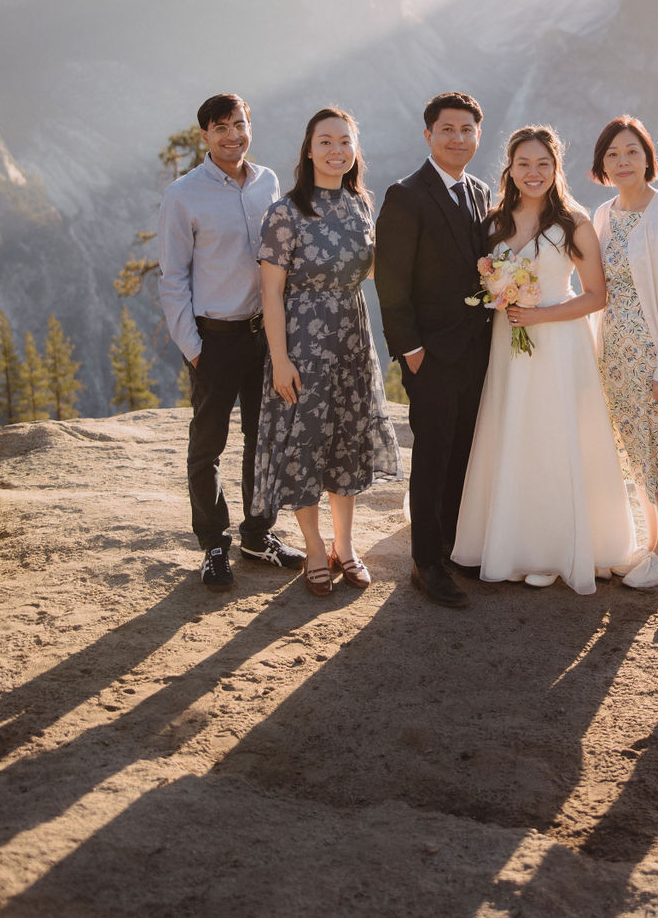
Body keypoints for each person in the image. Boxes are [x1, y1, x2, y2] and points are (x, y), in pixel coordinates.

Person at [452, 125, 637, 594]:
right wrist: (499, 291)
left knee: (557, 437)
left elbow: (597, 296)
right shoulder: (494, 222)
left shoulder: (573, 222)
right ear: (509, 169)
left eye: (543, 164)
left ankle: (559, 547)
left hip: (558, 344)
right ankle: (514, 544)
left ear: (556, 168)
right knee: (512, 432)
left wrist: (543, 314)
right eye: (523, 164)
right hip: (507, 342)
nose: (533, 173)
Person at [252, 107, 401, 597]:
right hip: (303, 340)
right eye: (326, 141)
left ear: (355, 149)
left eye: (345, 142)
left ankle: (346, 545)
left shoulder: (361, 205)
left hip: (353, 341)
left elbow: (375, 270)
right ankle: (315, 548)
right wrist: (280, 359)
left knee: (346, 442)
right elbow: (271, 292)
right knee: (305, 443)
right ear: (309, 149)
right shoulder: (286, 212)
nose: (337, 150)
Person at [158, 93, 304, 591]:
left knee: (262, 442)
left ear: (249, 127)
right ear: (205, 136)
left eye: (238, 124)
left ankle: (258, 534)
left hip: (265, 336)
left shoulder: (269, 182)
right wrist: (193, 347)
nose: (231, 135)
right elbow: (172, 277)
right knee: (208, 447)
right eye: (219, 128)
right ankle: (213, 545)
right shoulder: (184, 194)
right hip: (214, 340)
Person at [375, 92, 493, 610]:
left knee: (464, 449)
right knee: (432, 455)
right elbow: (391, 282)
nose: (457, 138)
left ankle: (450, 544)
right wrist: (411, 351)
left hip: (478, 350)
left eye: (467, 129)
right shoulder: (406, 195)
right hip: (431, 353)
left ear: (477, 136)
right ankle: (426, 562)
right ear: (428, 135)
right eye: (448, 129)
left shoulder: (481, 191)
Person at [590, 115, 658, 590]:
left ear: (647, 158)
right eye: (613, 153)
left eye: (632, 151)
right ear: (602, 164)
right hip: (614, 355)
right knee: (636, 451)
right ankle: (653, 546)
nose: (623, 160)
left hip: (656, 356)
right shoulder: (603, 215)